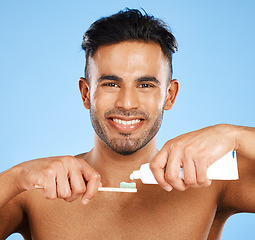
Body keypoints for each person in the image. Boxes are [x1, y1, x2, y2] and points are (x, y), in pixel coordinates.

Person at [0, 8, 255, 240]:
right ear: (86, 93)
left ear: (170, 95)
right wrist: (15, 178)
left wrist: (234, 136)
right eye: (111, 84)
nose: (127, 103)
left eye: (145, 85)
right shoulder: (33, 191)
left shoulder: (212, 180)